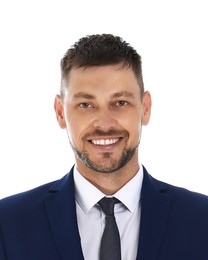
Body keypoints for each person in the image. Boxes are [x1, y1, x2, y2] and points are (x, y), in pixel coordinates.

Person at [0, 34, 208, 260]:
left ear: (145, 108)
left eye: (120, 102)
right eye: (86, 104)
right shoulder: (8, 223)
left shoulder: (201, 219)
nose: (105, 124)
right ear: (60, 113)